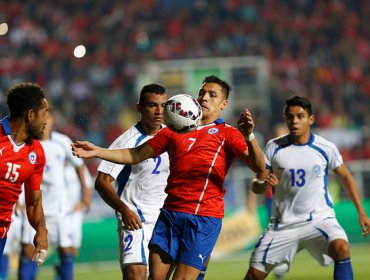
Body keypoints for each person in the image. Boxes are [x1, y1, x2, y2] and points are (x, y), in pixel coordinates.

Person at [71, 75, 265, 280]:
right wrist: (97, 151)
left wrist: (249, 137)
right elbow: (135, 155)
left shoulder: (227, 133)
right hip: (170, 215)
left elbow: (259, 166)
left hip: (202, 217)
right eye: (202, 93)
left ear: (224, 104)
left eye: (212, 95)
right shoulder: (174, 129)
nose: (204, 98)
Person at [244, 96, 370, 280]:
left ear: (311, 119)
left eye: (300, 116)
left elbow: (346, 176)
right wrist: (264, 184)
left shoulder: (325, 148)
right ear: (285, 118)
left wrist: (361, 211)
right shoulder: (273, 148)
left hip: (319, 219)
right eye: (290, 116)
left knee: (341, 246)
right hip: (283, 225)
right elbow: (256, 185)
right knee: (254, 275)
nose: (294, 121)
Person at [95, 83, 169, 280]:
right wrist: (124, 210)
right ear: (139, 108)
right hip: (135, 219)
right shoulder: (127, 141)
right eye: (153, 105)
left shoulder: (173, 136)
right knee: (135, 275)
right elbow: (102, 181)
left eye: (163, 105)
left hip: (165, 219)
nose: (159, 111)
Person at [18, 109, 90, 280]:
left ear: (51, 120)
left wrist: (85, 195)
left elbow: (79, 166)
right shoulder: (26, 143)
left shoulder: (62, 142)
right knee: (29, 250)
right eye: (41, 117)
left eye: (47, 118)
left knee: (67, 250)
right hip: (34, 206)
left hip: (59, 208)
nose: (44, 122)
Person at [0, 82, 48, 265]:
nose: (46, 121)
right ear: (30, 115)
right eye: (44, 114)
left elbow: (34, 202)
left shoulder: (36, 153)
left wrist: (41, 228)